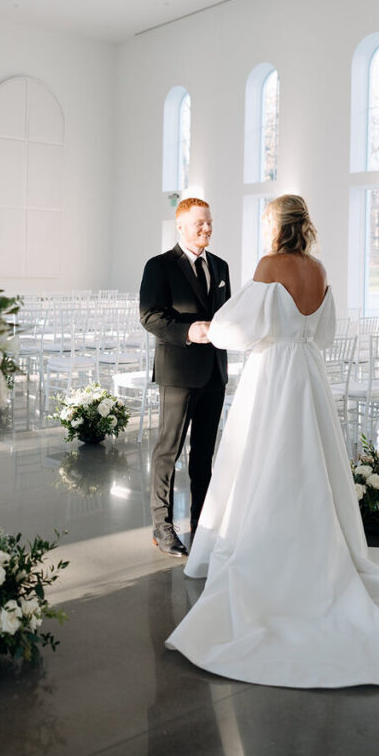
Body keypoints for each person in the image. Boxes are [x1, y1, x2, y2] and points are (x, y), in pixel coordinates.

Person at [165, 194, 379, 687]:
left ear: (274, 225)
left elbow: (235, 327)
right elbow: (324, 333)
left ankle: (269, 552)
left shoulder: (271, 264)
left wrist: (209, 328)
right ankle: (317, 546)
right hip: (308, 373)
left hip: (274, 374)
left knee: (265, 461)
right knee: (309, 463)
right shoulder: (319, 269)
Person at [139, 197, 231, 557]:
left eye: (209, 222)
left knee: (204, 454)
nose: (206, 228)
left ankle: (202, 525)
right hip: (178, 371)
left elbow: (223, 314)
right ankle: (162, 528)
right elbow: (150, 316)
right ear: (180, 226)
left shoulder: (221, 266)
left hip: (215, 373)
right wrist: (189, 330)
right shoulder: (159, 266)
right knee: (168, 451)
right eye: (199, 223)